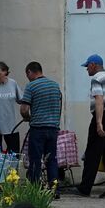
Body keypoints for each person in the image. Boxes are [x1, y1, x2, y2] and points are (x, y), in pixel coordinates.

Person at [77, 54, 105, 198]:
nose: (86, 69)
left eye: (87, 66)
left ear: (93, 65)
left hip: (102, 116)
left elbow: (99, 100)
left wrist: (99, 122)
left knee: (92, 153)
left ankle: (85, 188)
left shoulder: (96, 79)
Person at [19, 61, 62, 193]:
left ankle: (34, 190)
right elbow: (59, 106)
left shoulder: (31, 86)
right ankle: (54, 191)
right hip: (53, 129)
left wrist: (28, 118)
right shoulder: (55, 85)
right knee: (52, 160)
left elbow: (24, 110)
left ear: (29, 72)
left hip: (38, 129)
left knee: (35, 160)